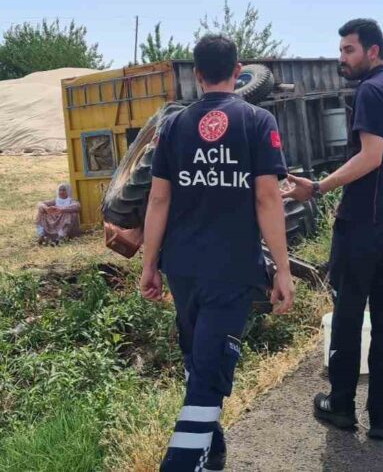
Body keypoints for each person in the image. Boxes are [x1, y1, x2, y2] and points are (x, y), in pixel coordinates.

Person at [140, 33, 293, 471]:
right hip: (230, 268)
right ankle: (183, 464)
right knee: (208, 373)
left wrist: (150, 264)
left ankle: (212, 452)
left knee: (199, 360)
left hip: (182, 267)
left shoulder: (174, 125)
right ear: (238, 69)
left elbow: (158, 201)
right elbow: (268, 199)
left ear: (197, 74)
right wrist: (282, 270)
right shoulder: (258, 121)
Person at [285, 18, 383, 441]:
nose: (341, 57)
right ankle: (382, 414)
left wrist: (319, 187)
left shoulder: (371, 91)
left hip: (367, 224)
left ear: (373, 51)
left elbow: (372, 156)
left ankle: (341, 404)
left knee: (349, 313)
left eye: (348, 50)